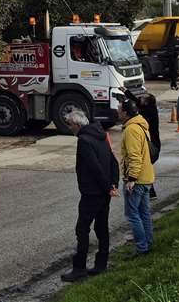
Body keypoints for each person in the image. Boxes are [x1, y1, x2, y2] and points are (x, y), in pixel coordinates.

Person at [61, 108, 118, 282]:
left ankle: (79, 268)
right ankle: (101, 264)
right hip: (104, 192)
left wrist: (108, 186)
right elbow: (113, 162)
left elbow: (94, 167)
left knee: (82, 229)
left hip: (92, 192)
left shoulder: (84, 140)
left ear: (77, 124)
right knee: (102, 228)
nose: (69, 128)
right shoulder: (101, 135)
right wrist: (113, 184)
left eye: (70, 125)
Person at [119, 99, 155, 255]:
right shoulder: (141, 125)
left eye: (120, 109)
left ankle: (142, 247)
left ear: (126, 113)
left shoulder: (131, 130)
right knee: (144, 213)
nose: (117, 111)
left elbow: (134, 156)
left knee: (133, 215)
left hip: (137, 180)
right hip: (146, 177)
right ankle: (148, 242)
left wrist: (131, 179)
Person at [138, 94, 161, 200]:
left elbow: (138, 104)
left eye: (143, 98)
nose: (140, 98)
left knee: (145, 167)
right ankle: (149, 191)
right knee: (146, 167)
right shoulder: (149, 108)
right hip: (153, 143)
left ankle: (150, 192)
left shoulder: (148, 111)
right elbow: (137, 101)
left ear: (146, 102)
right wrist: (126, 91)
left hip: (151, 144)